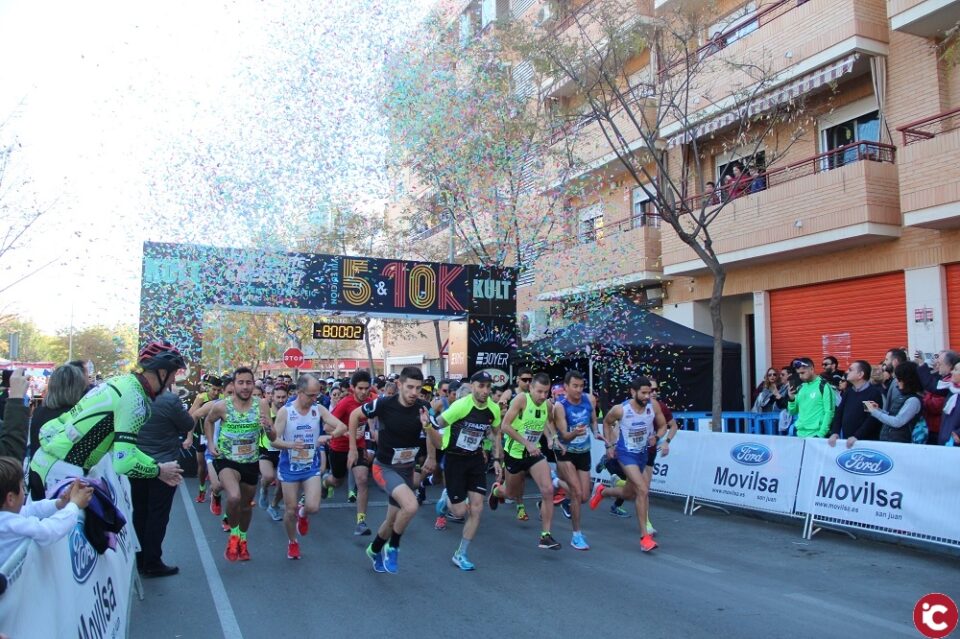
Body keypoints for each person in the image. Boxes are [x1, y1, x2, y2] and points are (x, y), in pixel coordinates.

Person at [30, 341, 186, 491]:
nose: (173, 380)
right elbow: (124, 463)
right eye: (173, 374)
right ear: (163, 372)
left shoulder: (122, 383)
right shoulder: (134, 399)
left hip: (45, 462)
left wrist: (156, 466)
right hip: (63, 471)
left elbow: (118, 445)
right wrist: (158, 472)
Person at [350, 366, 435, 574]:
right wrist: (353, 448)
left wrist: (431, 452)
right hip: (385, 467)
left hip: (406, 468)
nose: (414, 393)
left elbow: (435, 437)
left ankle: (375, 548)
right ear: (399, 385)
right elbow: (354, 416)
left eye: (418, 388)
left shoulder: (424, 407)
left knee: (393, 519)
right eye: (409, 387)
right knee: (411, 506)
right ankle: (393, 546)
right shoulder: (384, 404)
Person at [430, 371, 502, 570]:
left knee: (477, 508)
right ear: (472, 386)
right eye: (481, 386)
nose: (485, 391)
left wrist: (497, 459)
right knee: (460, 511)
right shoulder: (460, 406)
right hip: (454, 459)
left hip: (475, 460)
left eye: (488, 387)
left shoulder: (493, 409)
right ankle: (446, 499)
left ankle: (461, 553)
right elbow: (437, 424)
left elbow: (495, 434)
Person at [271, 374, 345, 560]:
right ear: (299, 392)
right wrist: (290, 446)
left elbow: (342, 426)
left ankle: (303, 514)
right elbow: (274, 441)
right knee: (289, 510)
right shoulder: (285, 412)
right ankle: (293, 542)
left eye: (316, 395)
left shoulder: (318, 410)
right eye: (311, 395)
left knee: (313, 507)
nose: (314, 399)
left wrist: (329, 437)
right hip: (290, 466)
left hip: (311, 465)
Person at [487, 372, 561, 550]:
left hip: (534, 454)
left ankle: (545, 536)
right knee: (511, 494)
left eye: (546, 392)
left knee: (548, 489)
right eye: (539, 392)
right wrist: (526, 443)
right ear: (531, 388)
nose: (543, 396)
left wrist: (552, 438)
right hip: (515, 454)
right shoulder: (521, 399)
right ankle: (497, 492)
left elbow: (545, 422)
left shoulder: (548, 405)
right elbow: (504, 426)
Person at [591, 376, 666, 552]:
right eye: (644, 393)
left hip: (642, 454)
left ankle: (603, 490)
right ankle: (644, 538)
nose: (648, 396)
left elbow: (663, 426)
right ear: (633, 392)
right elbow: (607, 423)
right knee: (643, 489)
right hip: (625, 454)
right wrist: (609, 445)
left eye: (650, 392)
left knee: (629, 492)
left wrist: (657, 436)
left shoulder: (653, 406)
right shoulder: (621, 410)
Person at [204, 367, 270, 562]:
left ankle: (243, 539)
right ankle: (233, 537)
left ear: (253, 384)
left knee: (246, 506)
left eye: (248, 382)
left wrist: (268, 428)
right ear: (233, 385)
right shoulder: (222, 406)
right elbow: (208, 421)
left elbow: (272, 434)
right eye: (240, 382)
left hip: (250, 461)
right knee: (233, 497)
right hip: (226, 460)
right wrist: (210, 442)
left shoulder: (262, 404)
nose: (245, 386)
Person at [131, 388, 195, 577]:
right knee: (157, 515)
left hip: (139, 463)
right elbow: (187, 423)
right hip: (165, 464)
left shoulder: (134, 396)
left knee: (140, 512)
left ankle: (141, 558)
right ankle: (152, 561)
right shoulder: (170, 399)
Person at [0, 458, 93, 565]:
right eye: (22, 487)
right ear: (10, 498)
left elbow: (29, 510)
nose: (23, 491)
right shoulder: (9, 524)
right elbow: (50, 530)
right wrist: (74, 505)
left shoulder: (5, 516)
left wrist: (60, 503)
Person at [552, 370, 598, 550]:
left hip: (584, 451)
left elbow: (593, 420)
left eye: (581, 386)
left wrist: (596, 433)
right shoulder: (560, 406)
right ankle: (576, 535)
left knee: (584, 496)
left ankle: (556, 482)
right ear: (566, 387)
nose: (579, 390)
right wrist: (575, 432)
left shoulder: (589, 400)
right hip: (565, 451)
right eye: (575, 386)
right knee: (577, 493)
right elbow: (563, 435)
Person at [330, 370, 376, 536]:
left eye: (366, 388)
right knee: (336, 481)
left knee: (362, 480)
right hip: (339, 448)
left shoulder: (371, 402)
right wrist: (348, 433)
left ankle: (361, 522)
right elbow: (328, 426)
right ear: (352, 388)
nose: (364, 392)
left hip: (359, 447)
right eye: (360, 388)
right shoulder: (345, 403)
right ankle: (325, 483)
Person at [828, 360, 883, 449]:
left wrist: (857, 436)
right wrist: (835, 432)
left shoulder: (871, 393)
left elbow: (871, 418)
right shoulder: (849, 392)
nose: (847, 372)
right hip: (848, 441)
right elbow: (839, 413)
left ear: (860, 374)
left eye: (850, 370)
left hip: (865, 443)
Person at [864, 361, 923, 443]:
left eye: (899, 380)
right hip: (891, 440)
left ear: (907, 380)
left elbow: (897, 421)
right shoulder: (903, 396)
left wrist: (875, 412)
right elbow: (893, 415)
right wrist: (879, 410)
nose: (897, 383)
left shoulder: (913, 401)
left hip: (901, 443)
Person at [190, 375, 223, 504]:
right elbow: (191, 416)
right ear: (208, 388)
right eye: (213, 389)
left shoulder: (222, 399)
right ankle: (202, 488)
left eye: (218, 390)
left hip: (215, 437)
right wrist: (189, 437)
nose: (215, 393)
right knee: (201, 464)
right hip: (201, 435)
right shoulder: (201, 398)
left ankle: (215, 489)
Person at [257, 385, 288, 519]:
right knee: (269, 476)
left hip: (284, 451)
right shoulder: (266, 412)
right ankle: (264, 490)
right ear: (272, 397)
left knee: (283, 484)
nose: (281, 400)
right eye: (278, 397)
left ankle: (274, 505)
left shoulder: (289, 413)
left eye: (283, 397)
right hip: (266, 450)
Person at [786, 358, 835, 438]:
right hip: (799, 434)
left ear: (812, 369)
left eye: (803, 372)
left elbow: (829, 412)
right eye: (799, 373)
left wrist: (821, 434)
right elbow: (792, 412)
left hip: (816, 435)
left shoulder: (824, 386)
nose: (800, 376)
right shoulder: (801, 387)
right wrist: (791, 399)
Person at [936, 360, 960, 446]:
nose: (952, 372)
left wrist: (958, 434)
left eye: (956, 370)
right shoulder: (952, 391)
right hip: (945, 442)